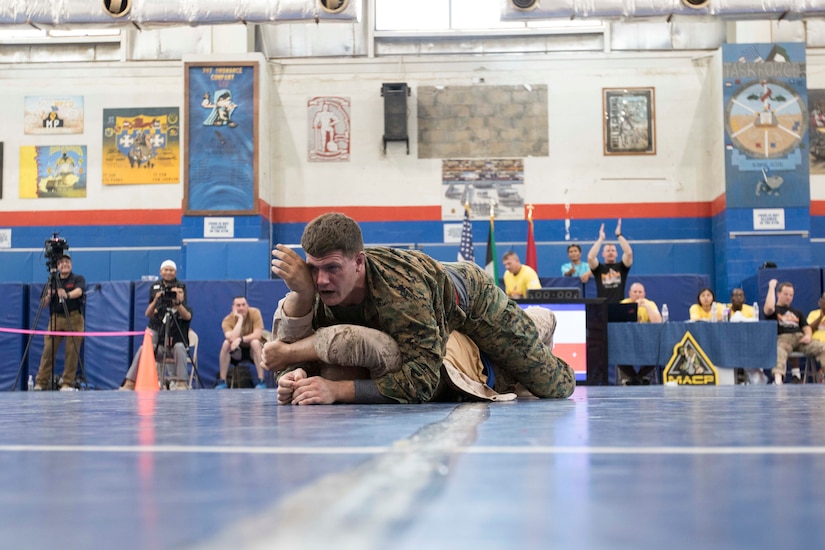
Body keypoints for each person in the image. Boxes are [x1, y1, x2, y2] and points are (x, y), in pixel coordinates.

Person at [262, 212, 574, 405]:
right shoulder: (315, 286)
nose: (322, 280)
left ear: (359, 262)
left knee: (553, 386)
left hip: (473, 302)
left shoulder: (400, 291)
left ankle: (538, 321)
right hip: (429, 302)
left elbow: (421, 381)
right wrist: (295, 375)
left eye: (331, 268)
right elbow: (288, 350)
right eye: (313, 269)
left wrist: (336, 390)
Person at [120, 260, 192, 390]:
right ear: (160, 271)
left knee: (180, 346)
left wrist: (178, 302)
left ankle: (181, 382)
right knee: (144, 349)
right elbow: (148, 313)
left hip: (175, 345)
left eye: (171, 270)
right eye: (166, 269)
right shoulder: (156, 290)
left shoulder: (184, 308)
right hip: (159, 336)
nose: (168, 272)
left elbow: (187, 316)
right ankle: (130, 382)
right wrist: (156, 300)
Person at [34, 253, 85, 391]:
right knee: (48, 350)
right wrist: (48, 295)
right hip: (55, 318)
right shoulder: (52, 281)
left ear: (71, 264)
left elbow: (79, 291)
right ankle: (40, 382)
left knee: (71, 352)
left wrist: (67, 295)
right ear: (57, 266)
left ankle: (67, 383)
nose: (65, 265)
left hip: (73, 318)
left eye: (67, 262)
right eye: (61, 262)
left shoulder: (77, 279)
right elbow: (43, 303)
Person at [764, 279, 825, 385]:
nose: (788, 297)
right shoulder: (774, 310)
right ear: (778, 294)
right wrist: (771, 287)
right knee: (779, 351)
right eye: (786, 294)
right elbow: (769, 307)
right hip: (784, 338)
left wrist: (808, 336)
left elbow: (806, 328)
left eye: (791, 295)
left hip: (800, 338)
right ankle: (778, 380)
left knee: (822, 347)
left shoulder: (797, 312)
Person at [216, 296, 267, 389]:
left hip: (253, 351)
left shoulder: (255, 313)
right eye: (238, 305)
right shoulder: (227, 320)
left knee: (255, 342)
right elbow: (230, 338)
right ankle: (222, 381)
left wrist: (241, 339)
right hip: (236, 352)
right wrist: (240, 319)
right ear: (233, 308)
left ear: (247, 306)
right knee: (226, 343)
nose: (241, 308)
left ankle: (261, 380)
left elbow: (257, 335)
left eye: (243, 305)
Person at [616, 282, 662, 385]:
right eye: (635, 292)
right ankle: (636, 378)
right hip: (627, 342)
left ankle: (638, 378)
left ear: (644, 294)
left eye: (640, 292)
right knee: (617, 353)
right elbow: (617, 324)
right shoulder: (623, 304)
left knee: (657, 352)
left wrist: (647, 307)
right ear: (629, 293)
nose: (637, 294)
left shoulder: (650, 304)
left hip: (646, 341)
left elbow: (658, 322)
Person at [587, 220, 632, 303]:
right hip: (602, 307)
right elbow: (590, 257)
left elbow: (628, 253)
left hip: (619, 306)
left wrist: (619, 235)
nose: (610, 252)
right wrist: (600, 239)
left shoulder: (622, 267)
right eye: (608, 251)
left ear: (617, 254)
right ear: (603, 254)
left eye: (613, 250)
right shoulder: (599, 269)